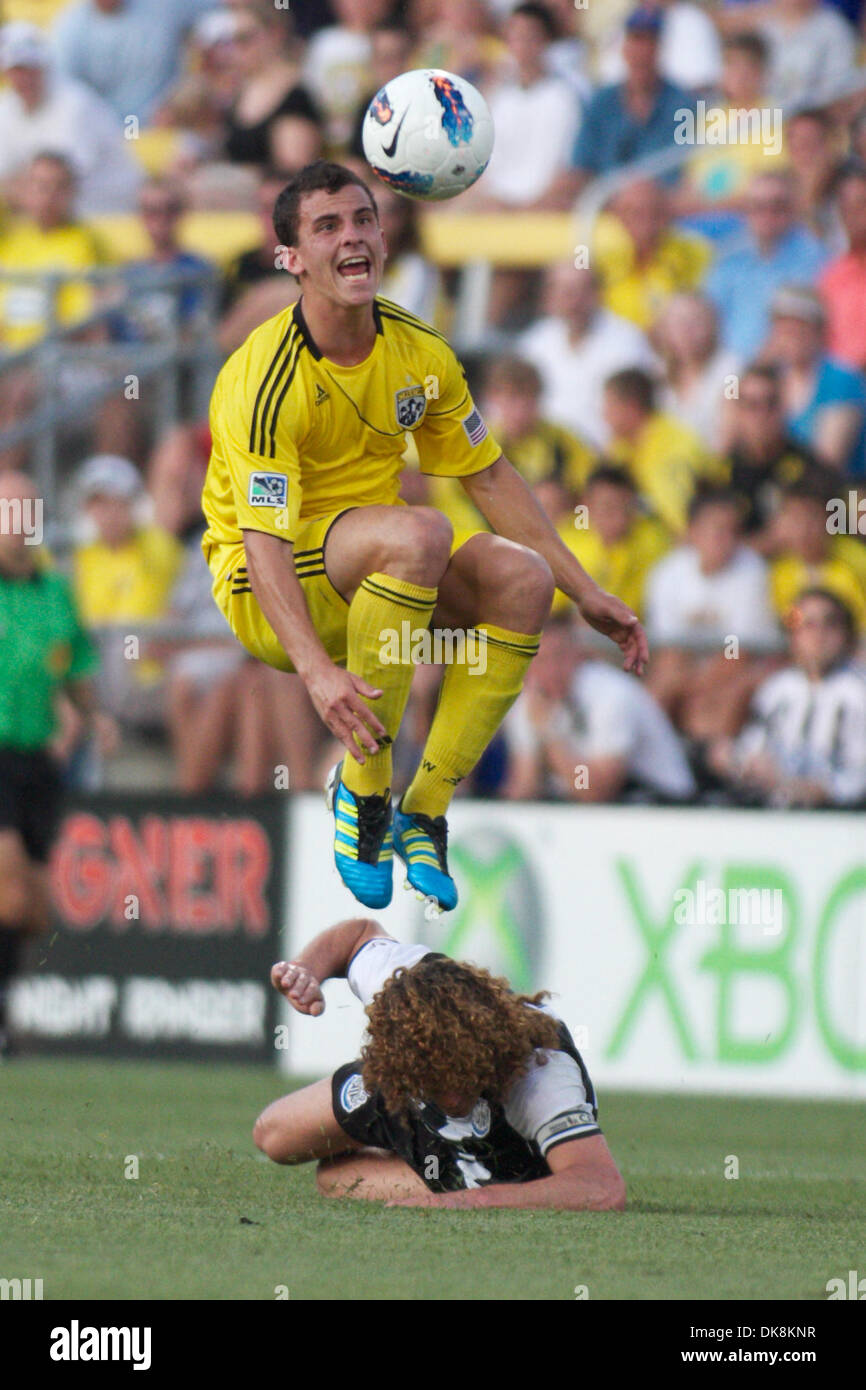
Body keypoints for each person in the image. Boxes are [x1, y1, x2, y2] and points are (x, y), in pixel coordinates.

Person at [201, 161, 648, 915]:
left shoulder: (421, 351)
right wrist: (314, 671)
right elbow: (262, 542)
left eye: (364, 220)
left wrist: (587, 588)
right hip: (268, 591)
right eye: (328, 226)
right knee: (422, 531)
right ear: (291, 260)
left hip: (382, 574)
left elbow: (491, 474)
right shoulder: (263, 376)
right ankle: (364, 788)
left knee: (522, 581)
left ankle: (425, 808)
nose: (353, 237)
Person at [254, 917, 627, 1210]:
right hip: (408, 1088)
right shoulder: (400, 990)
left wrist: (470, 1201)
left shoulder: (539, 1070)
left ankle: (468, 1177)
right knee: (273, 1137)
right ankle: (445, 1158)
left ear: (485, 1053)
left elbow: (601, 1186)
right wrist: (305, 970)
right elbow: (357, 936)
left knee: (336, 1179)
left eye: (459, 1079)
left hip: (509, 1158)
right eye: (436, 1084)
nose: (449, 1100)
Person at [0, 471, 116, 1056]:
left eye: (25, 513)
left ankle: (2, 1016)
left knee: (33, 908)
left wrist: (94, 719)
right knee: (9, 884)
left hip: (37, 758)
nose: (17, 527)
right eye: (7, 512)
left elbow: (76, 669)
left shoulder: (54, 592)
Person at [503, 615, 695, 803]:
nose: (552, 669)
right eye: (541, 660)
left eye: (560, 656)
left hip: (663, 803)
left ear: (578, 656)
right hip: (605, 807)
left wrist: (550, 736)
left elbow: (595, 791)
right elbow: (524, 790)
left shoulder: (612, 694)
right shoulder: (531, 700)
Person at [709, 588, 866, 807]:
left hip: (841, 817)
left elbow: (858, 774)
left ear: (847, 634)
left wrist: (822, 790)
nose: (818, 634)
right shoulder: (777, 688)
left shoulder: (858, 691)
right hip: (776, 811)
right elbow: (755, 747)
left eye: (830, 623)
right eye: (806, 623)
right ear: (792, 635)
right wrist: (734, 761)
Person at [0, 20, 140, 215]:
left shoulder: (76, 104)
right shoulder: (6, 107)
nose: (24, 78)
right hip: (60, 212)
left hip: (108, 210)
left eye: (31, 68)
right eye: (17, 70)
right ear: (5, 72)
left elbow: (60, 183)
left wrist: (16, 188)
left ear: (45, 66)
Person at [519, 264, 657, 451]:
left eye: (581, 290)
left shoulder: (628, 341)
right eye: (564, 292)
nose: (573, 301)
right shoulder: (534, 344)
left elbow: (641, 411)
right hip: (544, 460)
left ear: (597, 293)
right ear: (548, 297)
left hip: (609, 458)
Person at [705, 171, 828, 360]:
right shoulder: (729, 260)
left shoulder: (816, 258)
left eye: (777, 206)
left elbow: (803, 328)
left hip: (789, 367)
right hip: (730, 368)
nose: (767, 214)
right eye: (758, 206)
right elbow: (708, 319)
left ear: (793, 208)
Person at [602, 367, 724, 533]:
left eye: (610, 405)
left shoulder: (672, 449)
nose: (604, 415)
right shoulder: (622, 446)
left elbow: (681, 524)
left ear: (631, 407)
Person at [762, 284, 866, 475]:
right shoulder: (772, 376)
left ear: (820, 331)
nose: (791, 335)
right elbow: (730, 396)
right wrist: (754, 365)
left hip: (840, 495)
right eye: (783, 327)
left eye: (800, 326)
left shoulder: (841, 379)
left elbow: (827, 462)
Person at [820, 161, 866, 372]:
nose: (852, 215)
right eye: (845, 207)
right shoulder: (833, 275)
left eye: (860, 204)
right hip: (842, 385)